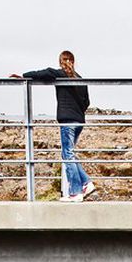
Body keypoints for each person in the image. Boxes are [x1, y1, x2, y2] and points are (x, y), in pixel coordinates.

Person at [11, 51, 95, 202]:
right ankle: (86, 183)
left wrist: (24, 76)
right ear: (73, 62)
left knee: (67, 154)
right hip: (79, 121)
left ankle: (76, 192)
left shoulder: (58, 73)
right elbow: (87, 103)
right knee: (68, 153)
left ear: (61, 61)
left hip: (67, 120)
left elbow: (42, 73)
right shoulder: (81, 80)